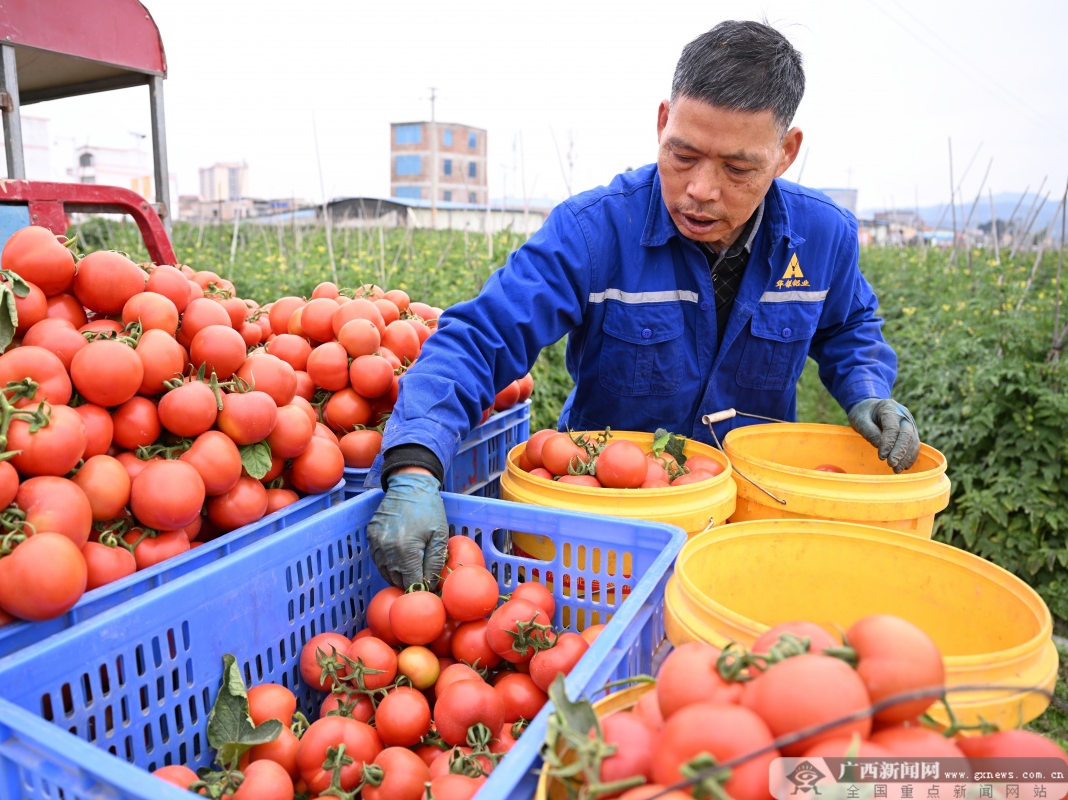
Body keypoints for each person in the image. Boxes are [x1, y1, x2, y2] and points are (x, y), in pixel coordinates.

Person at [365, 19, 920, 589]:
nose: (701, 189)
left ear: (786, 153)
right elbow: (483, 336)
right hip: (601, 531)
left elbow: (851, 327)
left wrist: (868, 389)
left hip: (746, 519)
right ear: (662, 122)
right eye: (682, 155)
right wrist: (414, 464)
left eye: (737, 168)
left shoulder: (822, 236)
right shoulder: (594, 231)